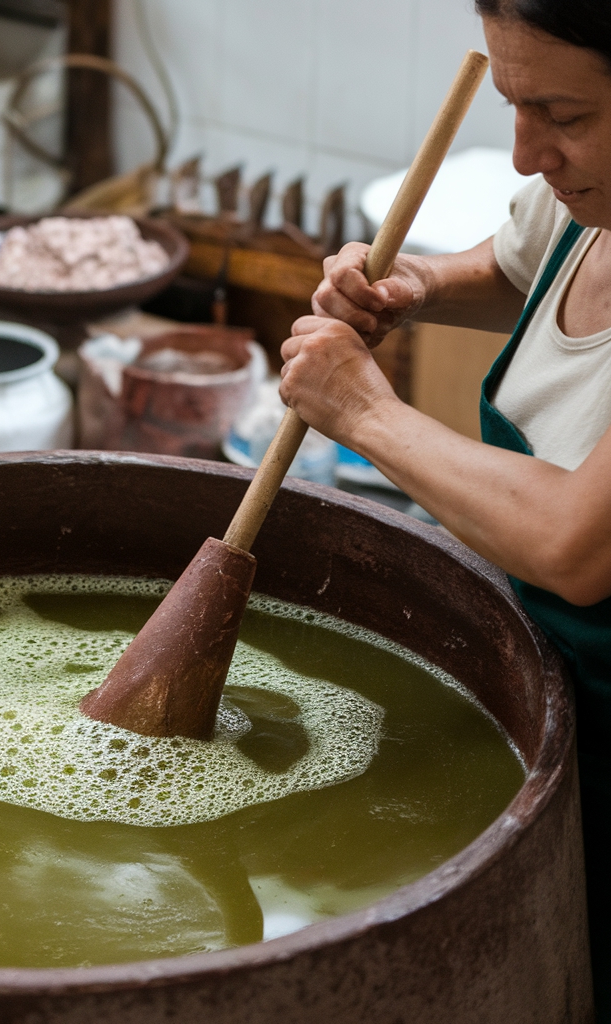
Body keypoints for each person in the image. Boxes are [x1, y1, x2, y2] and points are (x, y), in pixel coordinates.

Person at [278, 0, 610, 1016]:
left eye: (560, 112)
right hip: (560, 712)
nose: (523, 155)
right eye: (512, 105)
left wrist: (363, 412)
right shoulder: (587, 200)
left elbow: (573, 544)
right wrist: (411, 282)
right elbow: (515, 269)